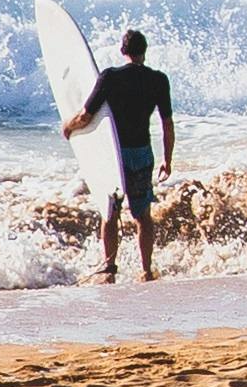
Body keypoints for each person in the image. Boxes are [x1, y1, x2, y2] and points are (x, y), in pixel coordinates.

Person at [66, 24, 182, 282]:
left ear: (123, 50)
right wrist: (168, 159)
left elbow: (86, 115)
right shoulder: (158, 80)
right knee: (142, 215)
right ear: (145, 51)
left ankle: (109, 268)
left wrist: (68, 126)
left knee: (110, 212)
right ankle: (146, 269)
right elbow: (167, 123)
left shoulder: (110, 77)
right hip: (142, 153)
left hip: (114, 155)